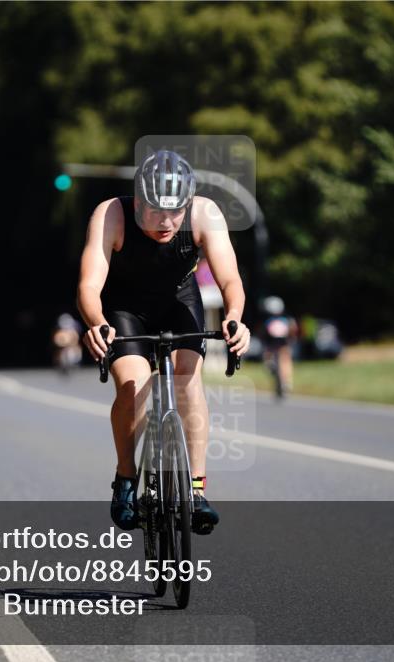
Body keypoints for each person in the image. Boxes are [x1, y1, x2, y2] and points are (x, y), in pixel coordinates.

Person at [77, 150, 251, 535]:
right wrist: (98, 323)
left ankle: (196, 490)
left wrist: (234, 317)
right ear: (138, 200)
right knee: (134, 386)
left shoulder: (206, 214)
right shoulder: (111, 215)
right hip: (124, 309)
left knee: (188, 380)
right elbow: (89, 285)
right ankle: (125, 479)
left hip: (177, 301)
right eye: (156, 210)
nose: (167, 221)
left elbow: (231, 281)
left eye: (176, 212)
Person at [260, 296, 299, 398]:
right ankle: (286, 381)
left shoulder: (268, 320)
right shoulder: (286, 319)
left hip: (275, 345)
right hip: (278, 344)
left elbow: (262, 334)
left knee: (281, 359)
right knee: (284, 360)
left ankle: (285, 380)